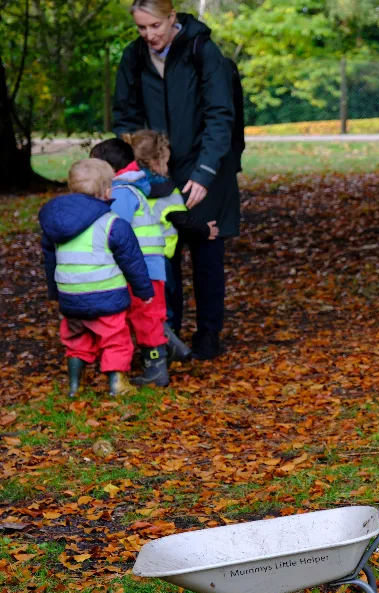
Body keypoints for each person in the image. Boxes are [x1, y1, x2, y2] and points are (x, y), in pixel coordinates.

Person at [112, 0, 240, 360]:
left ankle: (209, 333)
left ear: (172, 18)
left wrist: (204, 173)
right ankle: (166, 332)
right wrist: (145, 160)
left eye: (155, 26)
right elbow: (124, 116)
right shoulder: (133, 57)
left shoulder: (203, 51)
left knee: (206, 251)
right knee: (160, 255)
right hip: (156, 173)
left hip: (205, 169)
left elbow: (220, 115)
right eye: (141, 28)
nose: (149, 35)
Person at [39, 159, 154, 397]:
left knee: (77, 337)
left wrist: (55, 293)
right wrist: (144, 291)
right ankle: (117, 384)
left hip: (71, 298)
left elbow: (50, 263)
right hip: (107, 296)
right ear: (108, 192)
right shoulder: (113, 224)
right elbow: (132, 262)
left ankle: (74, 386)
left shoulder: (55, 227)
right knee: (115, 338)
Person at [122, 129, 220, 363]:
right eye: (166, 161)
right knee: (165, 303)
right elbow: (183, 222)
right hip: (159, 259)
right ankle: (168, 345)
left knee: (138, 305)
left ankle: (136, 350)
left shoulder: (126, 186)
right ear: (156, 161)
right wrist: (207, 230)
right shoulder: (167, 192)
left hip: (131, 259)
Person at [90, 138, 170, 387]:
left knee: (145, 315)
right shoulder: (131, 187)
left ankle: (156, 368)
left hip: (140, 267)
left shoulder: (122, 193)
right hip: (145, 265)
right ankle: (163, 356)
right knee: (148, 313)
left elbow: (115, 229)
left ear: (109, 169)